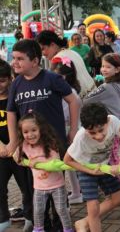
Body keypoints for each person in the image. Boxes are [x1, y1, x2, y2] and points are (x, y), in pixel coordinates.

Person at [4, 39, 80, 231]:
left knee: (57, 188)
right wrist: (14, 141)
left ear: (35, 60)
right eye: (14, 58)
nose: (15, 63)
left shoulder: (51, 78)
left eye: (20, 59)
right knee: (35, 189)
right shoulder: (16, 84)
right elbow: (11, 112)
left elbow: (73, 101)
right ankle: (42, 224)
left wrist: (72, 129)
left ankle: (59, 224)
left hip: (54, 145)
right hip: (30, 149)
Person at [64, 103, 120, 232]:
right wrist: (89, 171)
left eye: (101, 130)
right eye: (92, 133)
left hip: (104, 166)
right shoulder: (81, 137)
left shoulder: (113, 121)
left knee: (118, 197)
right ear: (85, 129)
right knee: (93, 207)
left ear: (107, 121)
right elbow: (67, 160)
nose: (98, 136)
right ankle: (89, 222)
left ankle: (83, 222)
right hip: (86, 170)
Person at [16, 112, 73, 232]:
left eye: (33, 130)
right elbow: (17, 158)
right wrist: (21, 157)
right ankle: (38, 229)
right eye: (25, 132)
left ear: (40, 129)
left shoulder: (50, 143)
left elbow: (54, 163)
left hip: (57, 185)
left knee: (61, 209)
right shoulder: (25, 145)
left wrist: (35, 163)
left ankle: (68, 229)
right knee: (37, 210)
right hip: (39, 187)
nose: (30, 135)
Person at [0, 59, 33, 232]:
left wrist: (16, 145)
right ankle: (3, 219)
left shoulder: (17, 98)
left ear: (10, 78)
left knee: (27, 187)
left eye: (2, 80)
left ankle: (30, 217)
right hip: (1, 154)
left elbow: (25, 124)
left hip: (20, 151)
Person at [51, 56, 83, 205]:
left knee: (72, 163)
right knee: (71, 164)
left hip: (70, 130)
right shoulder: (71, 89)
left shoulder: (67, 92)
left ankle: (79, 192)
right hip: (72, 129)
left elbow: (65, 114)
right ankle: (77, 192)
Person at [36, 30, 95, 98]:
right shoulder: (71, 52)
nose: (42, 53)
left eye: (43, 49)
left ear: (52, 45)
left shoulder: (58, 59)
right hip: (92, 93)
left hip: (81, 100)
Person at [84, 53, 120, 121]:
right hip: (119, 120)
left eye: (108, 67)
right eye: (103, 66)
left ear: (117, 69)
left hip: (110, 123)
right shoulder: (118, 83)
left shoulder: (106, 87)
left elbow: (86, 100)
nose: (104, 69)